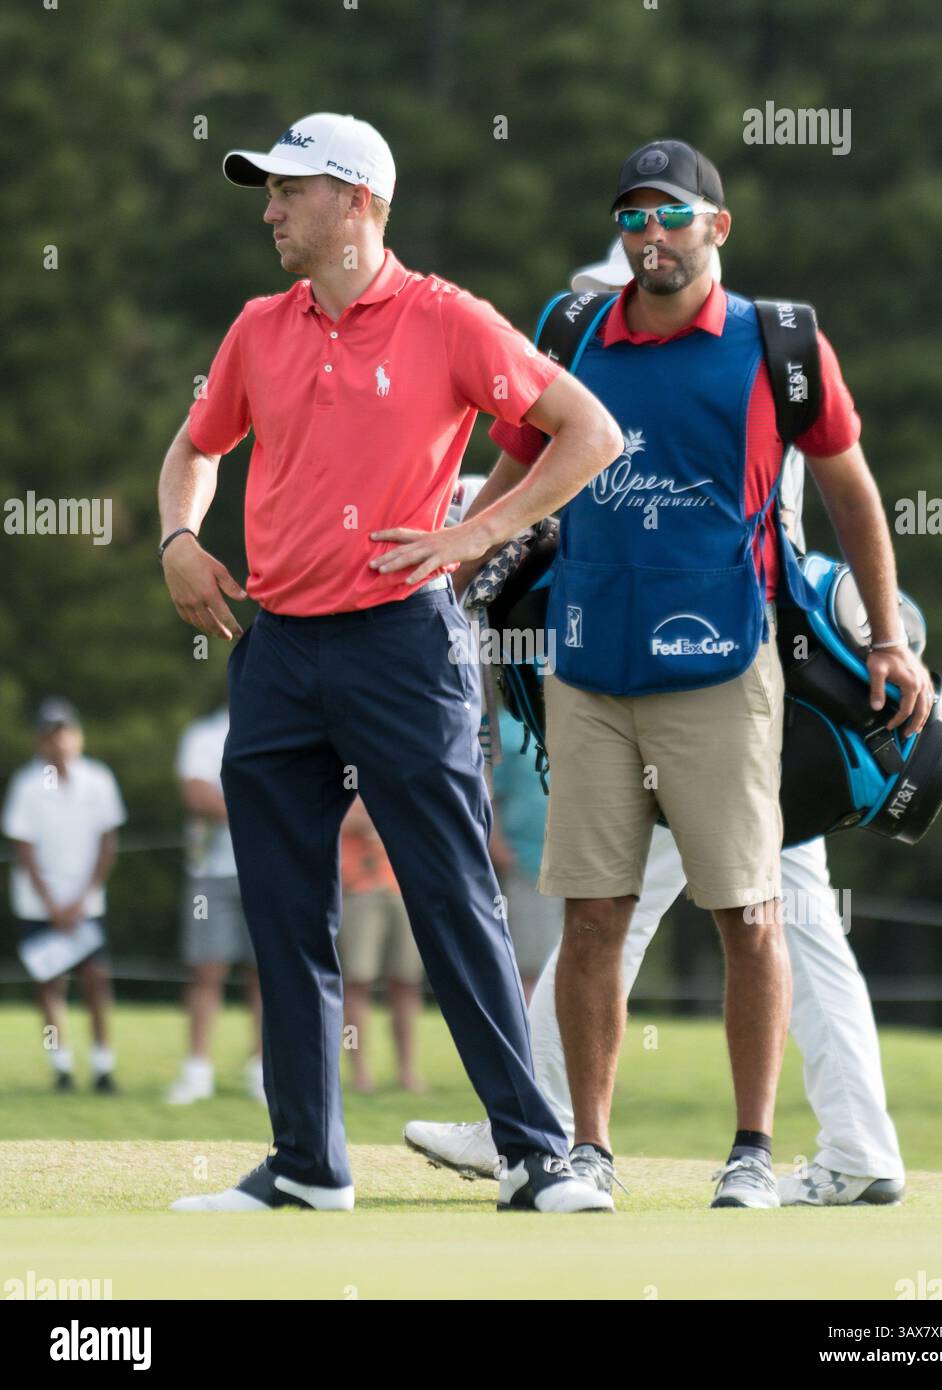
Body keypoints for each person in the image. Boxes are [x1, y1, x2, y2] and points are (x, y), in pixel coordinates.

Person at [408, 138, 933, 1210]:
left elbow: (850, 490)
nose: (650, 237)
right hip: (598, 668)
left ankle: (567, 1121)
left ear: (714, 228)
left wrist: (887, 637)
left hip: (732, 667)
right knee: (659, 907)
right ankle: (567, 1129)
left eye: (671, 216)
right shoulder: (575, 336)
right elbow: (524, 460)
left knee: (750, 909)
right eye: (633, 221)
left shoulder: (773, 345)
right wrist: (467, 547)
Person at [158, 111, 623, 1214]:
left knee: (452, 897)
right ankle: (309, 1165)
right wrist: (177, 536)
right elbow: (195, 449)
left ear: (357, 201)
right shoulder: (257, 327)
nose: (268, 210)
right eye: (266, 192)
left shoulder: (445, 318)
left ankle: (533, 1153)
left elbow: (588, 431)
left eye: (288, 191)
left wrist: (474, 534)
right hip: (276, 648)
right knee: (283, 906)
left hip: (401, 644)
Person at [1, 698, 126, 1092]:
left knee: (95, 979)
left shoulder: (99, 779)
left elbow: (108, 843)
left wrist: (83, 898)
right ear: (41, 742)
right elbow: (24, 852)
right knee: (49, 983)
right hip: (40, 905)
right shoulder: (26, 785)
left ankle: (103, 1065)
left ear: (78, 737)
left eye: (66, 734)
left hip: (86, 903)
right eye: (52, 736)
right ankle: (62, 1066)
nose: (60, 743)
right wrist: (53, 905)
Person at [165, 705, 265, 1105]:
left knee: (266, 975)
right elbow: (195, 793)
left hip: (267, 870)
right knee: (206, 971)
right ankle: (197, 1072)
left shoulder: (277, 721)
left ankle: (262, 1071)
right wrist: (259, 814)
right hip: (211, 873)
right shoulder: (203, 734)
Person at [338, 796, 425, 1094]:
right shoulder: (340, 766)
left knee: (406, 982)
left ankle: (407, 1071)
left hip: (402, 884)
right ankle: (360, 1072)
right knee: (357, 982)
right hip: (355, 887)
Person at [490, 710, 564, 1001]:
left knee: (576, 957)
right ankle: (528, 1039)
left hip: (580, 863)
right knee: (531, 963)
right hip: (527, 863)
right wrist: (500, 850)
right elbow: (490, 794)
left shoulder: (581, 722)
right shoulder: (507, 731)